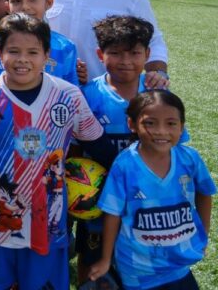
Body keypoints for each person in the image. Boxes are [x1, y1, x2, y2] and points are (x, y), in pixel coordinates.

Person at [0, 13, 113, 290]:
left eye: (32, 52)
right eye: (13, 51)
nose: (23, 59)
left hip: (48, 225)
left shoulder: (69, 96)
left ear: (47, 55)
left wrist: (136, 166)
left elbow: (98, 145)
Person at [77, 15, 186, 285]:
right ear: (100, 54)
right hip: (99, 198)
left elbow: (176, 147)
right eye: (115, 53)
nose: (125, 61)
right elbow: (76, 147)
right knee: (91, 257)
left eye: (134, 53)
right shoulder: (88, 94)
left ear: (147, 54)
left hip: (147, 200)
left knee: (144, 258)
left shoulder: (157, 96)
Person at [88, 91, 215, 290]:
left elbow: (205, 192)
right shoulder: (124, 165)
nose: (161, 131)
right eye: (150, 123)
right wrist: (105, 259)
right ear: (132, 124)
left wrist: (203, 233)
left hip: (179, 263)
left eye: (171, 123)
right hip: (138, 269)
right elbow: (113, 214)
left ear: (182, 126)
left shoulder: (190, 159)